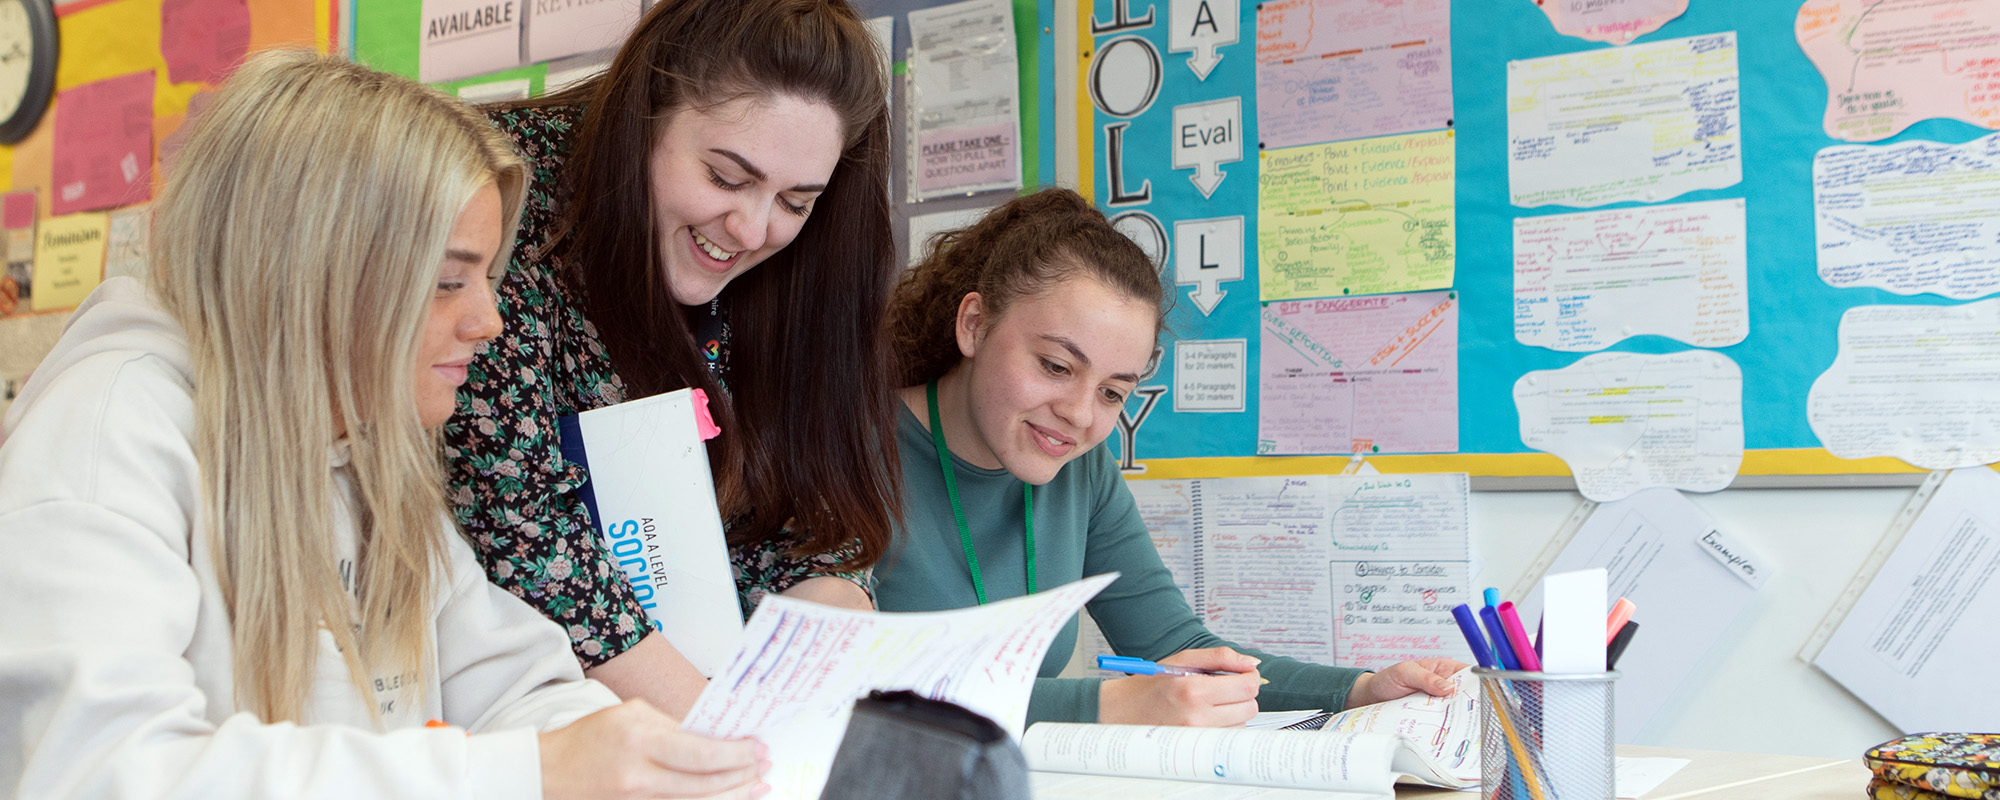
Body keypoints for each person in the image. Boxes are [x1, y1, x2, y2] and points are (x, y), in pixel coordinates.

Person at [0, 51, 766, 799]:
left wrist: (642, 764)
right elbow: (100, 770)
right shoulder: (110, 431)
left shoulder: (368, 445)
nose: (488, 322)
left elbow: (513, 685)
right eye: (445, 282)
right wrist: (527, 774)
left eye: (488, 278)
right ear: (312, 269)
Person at [444, 0, 900, 716]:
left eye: (797, 201)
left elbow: (796, 501)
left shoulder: (804, 266)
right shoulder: (499, 198)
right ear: (647, 114)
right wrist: (731, 742)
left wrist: (827, 600)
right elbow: (518, 528)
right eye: (725, 177)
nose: (751, 230)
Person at [874, 189, 1465, 726]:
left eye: (1112, 392)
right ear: (974, 325)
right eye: (1056, 366)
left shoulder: (1078, 467)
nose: (1080, 415)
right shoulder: (844, 451)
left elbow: (1175, 649)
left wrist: (1360, 689)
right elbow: (855, 692)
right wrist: (1108, 704)